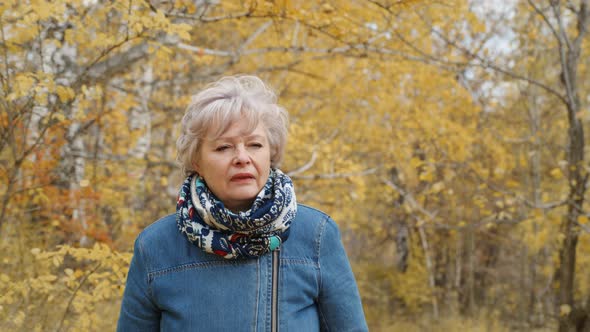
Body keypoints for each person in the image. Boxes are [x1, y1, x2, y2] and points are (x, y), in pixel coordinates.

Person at [117, 75, 368, 331]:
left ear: (271, 152)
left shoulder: (316, 235)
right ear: (197, 162)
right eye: (223, 147)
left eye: (255, 144)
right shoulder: (156, 246)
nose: (242, 158)